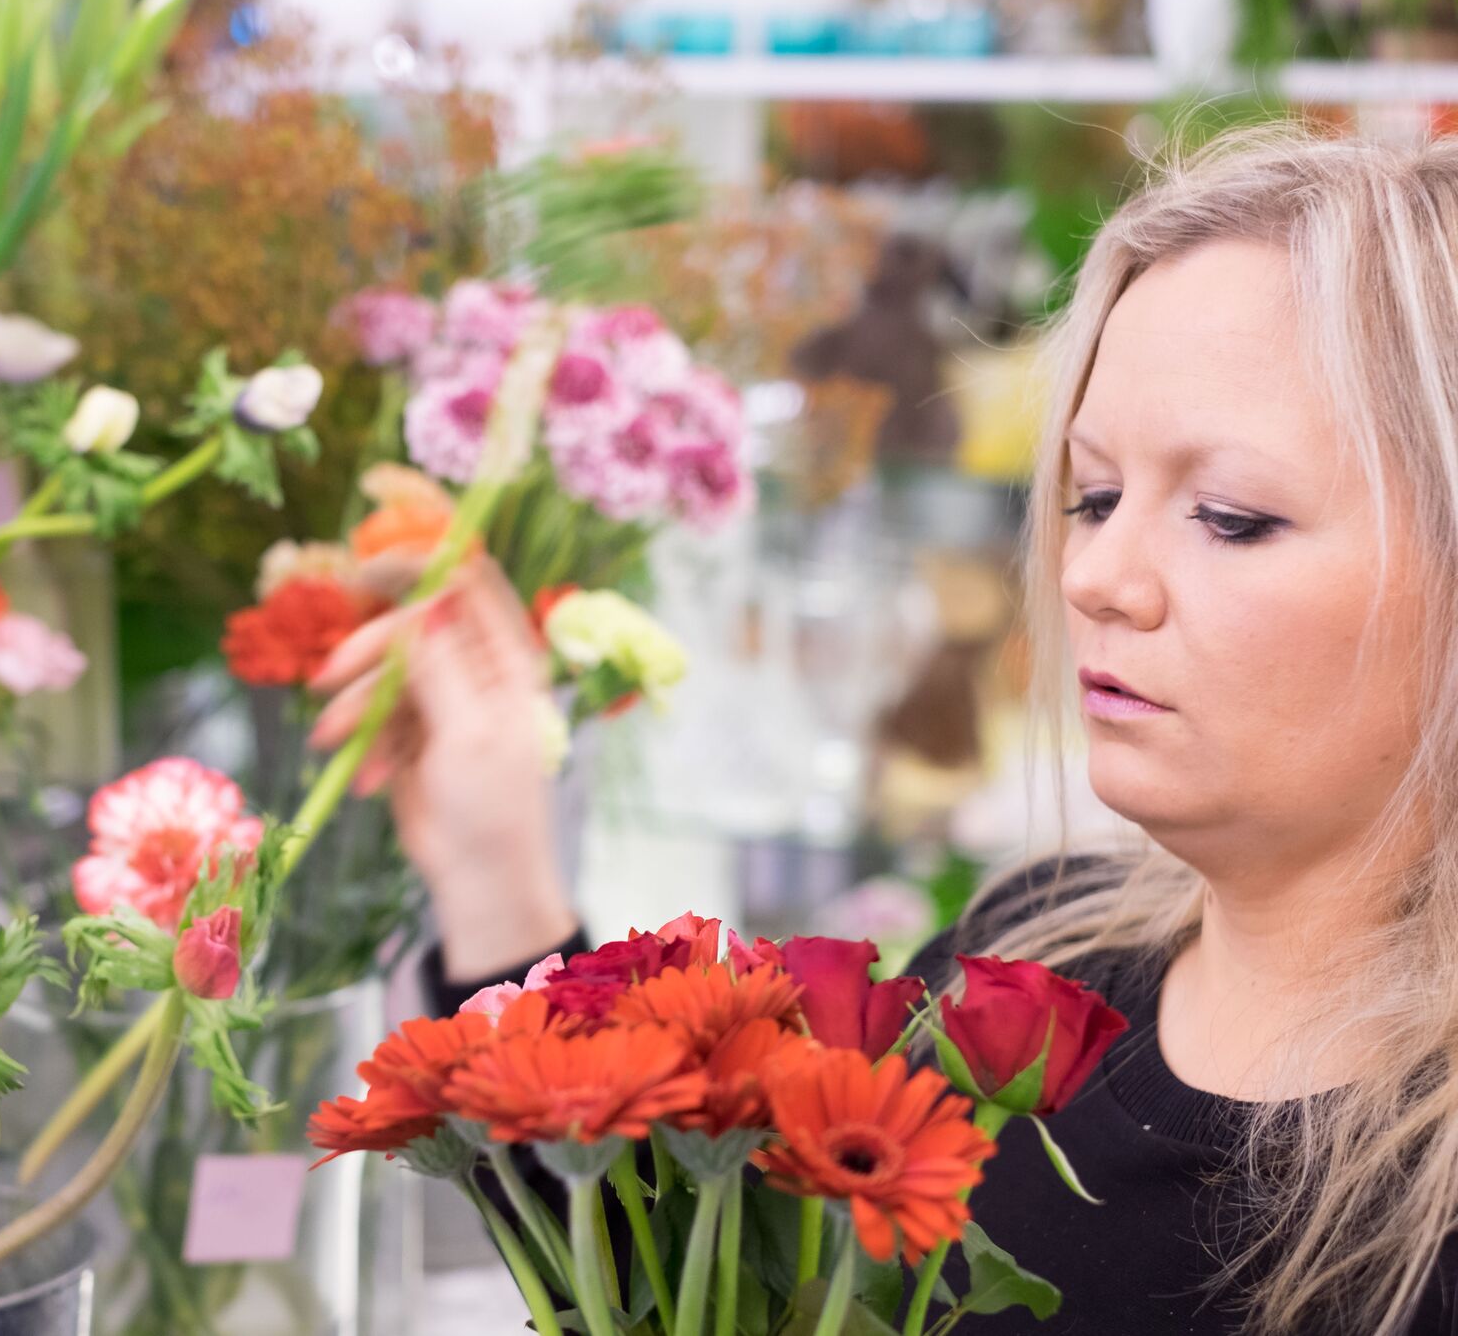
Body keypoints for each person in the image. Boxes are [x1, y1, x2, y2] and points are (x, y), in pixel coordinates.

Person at [311, 126, 1458, 1335]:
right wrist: (494, 856)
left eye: (1227, 518)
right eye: (1092, 496)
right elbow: (685, 1281)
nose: (1096, 575)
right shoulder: (1019, 979)